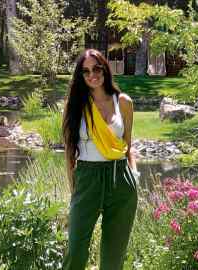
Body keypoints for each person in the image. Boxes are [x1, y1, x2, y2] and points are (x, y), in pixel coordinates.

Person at [62, 48, 139, 270]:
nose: (92, 75)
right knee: (76, 251)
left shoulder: (123, 102)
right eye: (85, 72)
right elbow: (69, 152)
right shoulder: (74, 106)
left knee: (113, 257)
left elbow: (128, 145)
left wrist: (134, 176)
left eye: (96, 68)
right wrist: (73, 187)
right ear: (81, 76)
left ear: (105, 68)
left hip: (120, 178)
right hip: (87, 178)